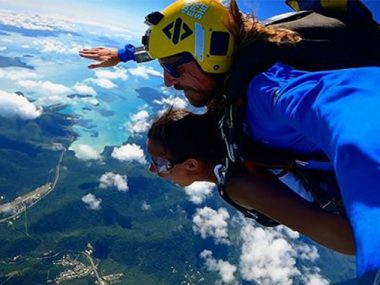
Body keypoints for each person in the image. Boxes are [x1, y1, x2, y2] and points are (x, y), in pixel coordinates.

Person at [79, 0, 380, 280]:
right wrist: (126, 54)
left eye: (173, 69)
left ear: (210, 56)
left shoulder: (269, 91)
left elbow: (360, 126)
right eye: (164, 68)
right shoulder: (246, 53)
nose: (167, 81)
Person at [147, 107, 355, 255]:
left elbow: (329, 229)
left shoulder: (238, 184)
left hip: (356, 203)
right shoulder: (226, 122)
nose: (152, 169)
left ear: (191, 165)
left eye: (160, 163)